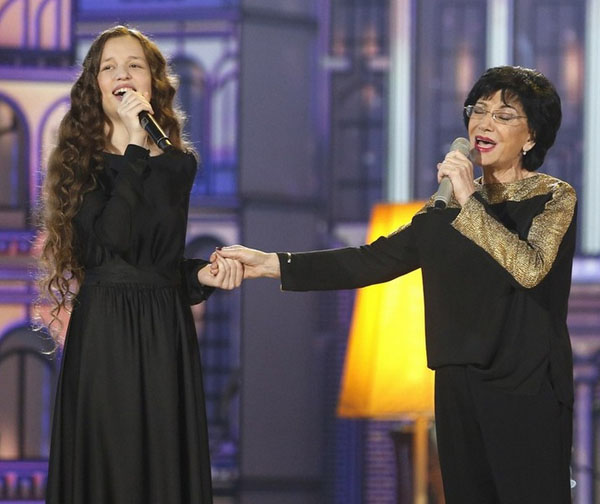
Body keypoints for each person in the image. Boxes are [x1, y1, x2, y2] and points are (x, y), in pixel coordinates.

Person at [215, 66, 576, 503]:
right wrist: (273, 263)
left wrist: (469, 200)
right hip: (458, 383)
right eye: (479, 111)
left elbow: (530, 268)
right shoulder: (443, 209)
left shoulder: (553, 198)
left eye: (503, 116)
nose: (484, 124)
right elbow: (370, 261)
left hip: (527, 387)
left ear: (531, 136)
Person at [38, 25, 242, 504]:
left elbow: (160, 259)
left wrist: (200, 275)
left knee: (164, 468)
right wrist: (133, 146)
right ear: (95, 85)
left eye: (134, 65)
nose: (122, 75)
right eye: (109, 67)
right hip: (106, 329)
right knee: (111, 467)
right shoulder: (79, 162)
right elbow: (112, 241)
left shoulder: (179, 165)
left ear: (153, 82)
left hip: (165, 329)